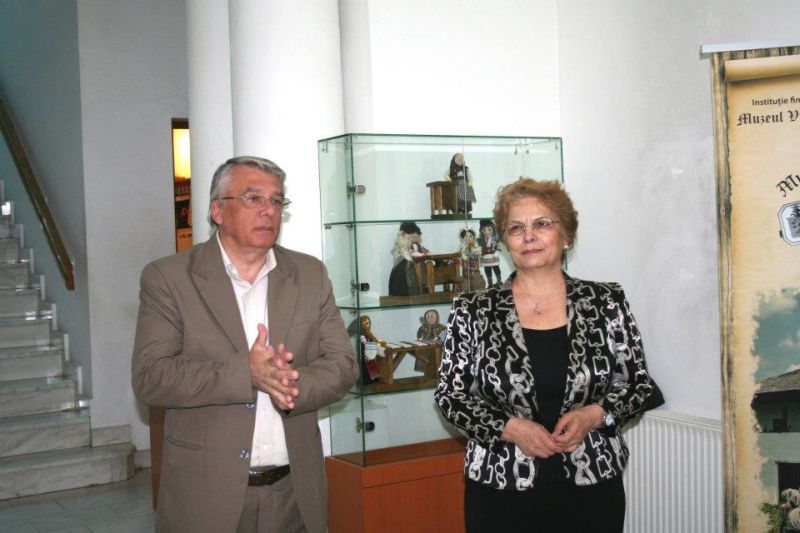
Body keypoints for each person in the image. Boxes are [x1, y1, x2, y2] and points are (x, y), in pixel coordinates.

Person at [132, 156, 359, 533]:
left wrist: (289, 383)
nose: (268, 210)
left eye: (276, 200)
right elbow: (150, 377)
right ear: (217, 210)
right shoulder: (169, 279)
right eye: (253, 199)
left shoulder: (309, 275)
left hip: (294, 494)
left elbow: (343, 365)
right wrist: (246, 373)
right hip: (206, 497)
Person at [435, 178, 663, 533]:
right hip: (500, 488)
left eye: (542, 224)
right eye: (516, 228)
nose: (529, 236)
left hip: (592, 486)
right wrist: (509, 428)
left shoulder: (605, 302)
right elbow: (451, 397)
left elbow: (636, 385)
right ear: (504, 241)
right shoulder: (473, 310)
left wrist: (593, 415)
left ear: (566, 235)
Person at [388, 221, 429, 296]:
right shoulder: (401, 247)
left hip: (416, 272)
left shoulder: (417, 245)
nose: (413, 236)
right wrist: (414, 256)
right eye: (411, 233)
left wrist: (426, 254)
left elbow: (425, 252)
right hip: (404, 275)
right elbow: (405, 256)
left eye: (415, 233)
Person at [477, 219, 501, 286]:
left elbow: (499, 245)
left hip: (493, 257)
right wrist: (479, 251)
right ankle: (490, 284)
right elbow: (480, 247)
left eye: (489, 229)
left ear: (493, 229)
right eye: (484, 230)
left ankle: (499, 282)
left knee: (496, 268)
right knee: (487, 270)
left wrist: (497, 251)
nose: (487, 232)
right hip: (485, 258)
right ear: (481, 231)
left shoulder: (495, 239)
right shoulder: (481, 240)